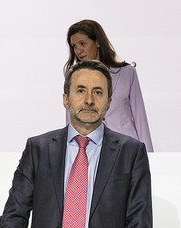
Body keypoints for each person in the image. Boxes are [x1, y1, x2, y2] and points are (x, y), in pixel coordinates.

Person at [0, 60, 153, 228]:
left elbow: (139, 227)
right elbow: (14, 215)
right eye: (81, 90)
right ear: (65, 99)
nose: (89, 100)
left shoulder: (131, 153)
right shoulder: (38, 149)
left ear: (109, 102)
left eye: (98, 92)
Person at [65, 19, 153, 151]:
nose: (78, 50)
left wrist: (149, 156)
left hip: (126, 147)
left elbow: (140, 117)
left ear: (97, 42)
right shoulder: (74, 77)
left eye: (82, 43)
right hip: (91, 148)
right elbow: (71, 119)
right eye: (74, 46)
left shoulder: (127, 73)